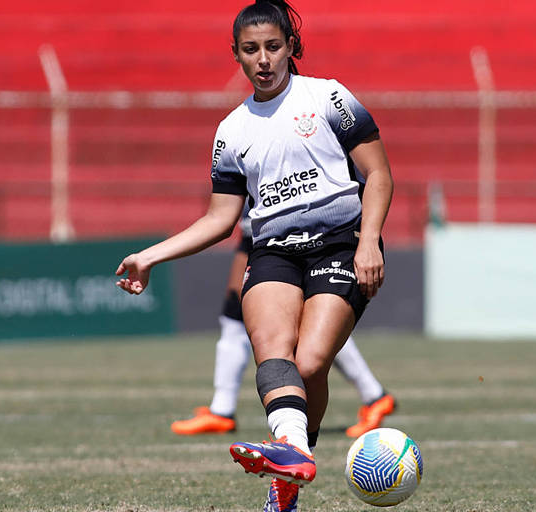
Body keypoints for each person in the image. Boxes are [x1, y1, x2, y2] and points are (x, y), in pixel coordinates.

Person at [116, 1, 393, 510]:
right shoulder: (231, 132)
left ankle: (286, 470)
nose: (263, 59)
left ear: (291, 46)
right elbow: (220, 220)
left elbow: (378, 174)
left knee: (310, 364)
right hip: (272, 253)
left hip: (340, 244)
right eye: (251, 50)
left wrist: (371, 238)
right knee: (273, 350)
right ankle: (292, 458)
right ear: (237, 56)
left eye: (272, 46)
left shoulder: (329, 98)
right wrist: (150, 256)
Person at [170, 213, 395, 439]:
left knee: (312, 327)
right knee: (238, 308)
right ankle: (222, 407)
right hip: (262, 226)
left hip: (288, 227)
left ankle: (373, 395)